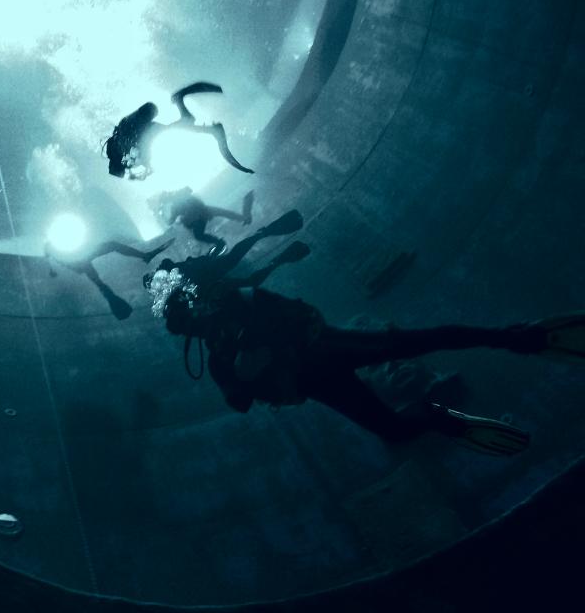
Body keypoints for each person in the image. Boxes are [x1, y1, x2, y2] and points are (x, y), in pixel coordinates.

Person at [151, 272, 585, 455]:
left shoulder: (238, 303)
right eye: (183, 326)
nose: (194, 325)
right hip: (319, 384)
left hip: (328, 350)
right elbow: (239, 402)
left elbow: (298, 310)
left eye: (188, 314)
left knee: (420, 341)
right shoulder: (218, 362)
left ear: (197, 302)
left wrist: (264, 344)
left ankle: (514, 337)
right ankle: (437, 417)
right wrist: (245, 376)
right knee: (392, 431)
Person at [104, 82, 255, 180]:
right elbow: (137, 149)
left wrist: (145, 170)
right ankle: (209, 128)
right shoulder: (113, 152)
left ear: (119, 167)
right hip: (139, 125)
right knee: (179, 124)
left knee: (176, 126)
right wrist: (144, 169)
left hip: (141, 128)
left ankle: (209, 127)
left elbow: (142, 153)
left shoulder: (124, 158)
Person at [144, 208, 308, 293]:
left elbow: (169, 264)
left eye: (153, 281)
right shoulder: (168, 283)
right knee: (243, 274)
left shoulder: (165, 272)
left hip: (210, 273)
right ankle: (270, 249)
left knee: (239, 268)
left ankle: (271, 251)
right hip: (211, 279)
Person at [45, 239, 172, 320]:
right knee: (112, 246)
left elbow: (52, 257)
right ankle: (145, 256)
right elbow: (52, 256)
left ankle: (119, 309)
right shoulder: (51, 248)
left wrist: (53, 269)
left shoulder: (52, 249)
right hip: (79, 260)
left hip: (78, 261)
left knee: (101, 284)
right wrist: (53, 269)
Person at [149, 187, 255, 254]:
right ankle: (244, 217)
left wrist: (161, 214)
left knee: (199, 235)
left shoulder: (175, 206)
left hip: (199, 218)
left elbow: (170, 221)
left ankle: (220, 242)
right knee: (224, 213)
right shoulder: (179, 197)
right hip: (204, 211)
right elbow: (189, 191)